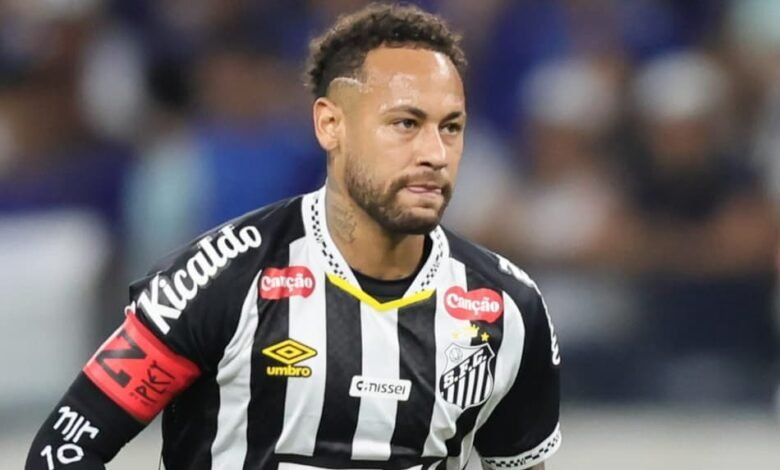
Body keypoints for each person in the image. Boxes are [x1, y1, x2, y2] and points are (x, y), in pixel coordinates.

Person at [26, 4, 561, 469]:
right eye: (405, 123)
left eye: (451, 127)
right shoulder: (220, 278)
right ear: (331, 125)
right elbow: (63, 449)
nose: (434, 153)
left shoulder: (506, 309)